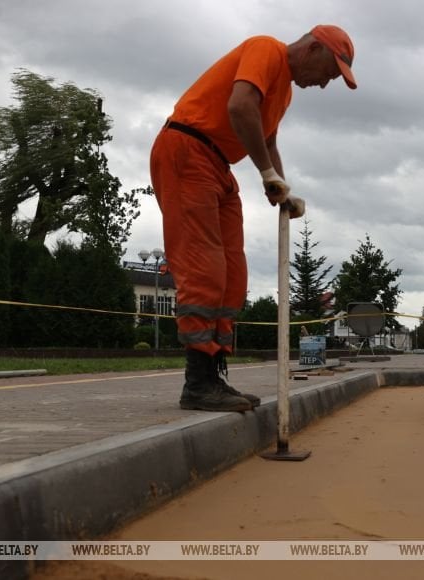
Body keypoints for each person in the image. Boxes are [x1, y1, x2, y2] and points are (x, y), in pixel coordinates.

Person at [150, 25, 357, 412]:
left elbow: (269, 140)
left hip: (216, 164)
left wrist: (281, 188)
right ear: (314, 48)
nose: (325, 85)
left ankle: (212, 377)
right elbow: (239, 106)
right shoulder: (267, 50)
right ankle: (196, 384)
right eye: (329, 73)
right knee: (204, 268)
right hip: (187, 149)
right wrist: (266, 175)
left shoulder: (286, 91)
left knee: (232, 271)